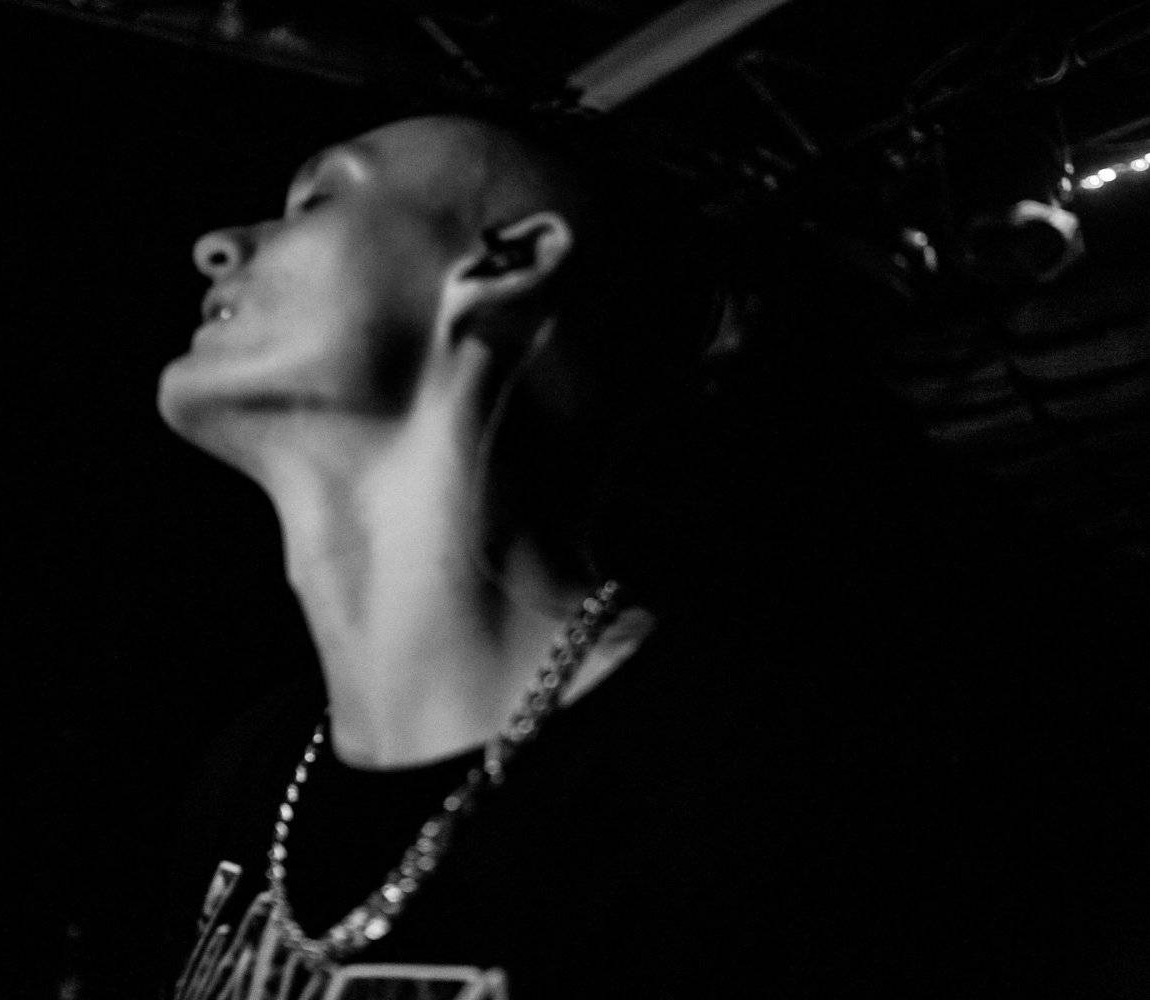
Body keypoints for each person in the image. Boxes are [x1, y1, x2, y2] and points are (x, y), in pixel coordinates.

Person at [154, 111, 1143, 999]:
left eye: (318, 199)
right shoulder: (252, 774)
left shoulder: (777, 787)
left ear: (507, 260)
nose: (219, 247)